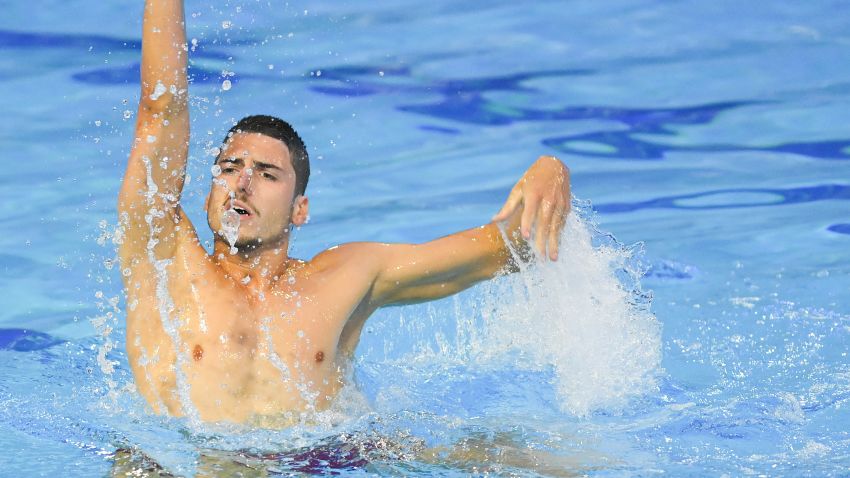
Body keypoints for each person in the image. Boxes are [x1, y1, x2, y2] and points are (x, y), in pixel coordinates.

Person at [119, 0, 571, 427]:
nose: (242, 182)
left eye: (267, 174)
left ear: (300, 211)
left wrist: (552, 170)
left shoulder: (344, 279)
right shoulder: (165, 259)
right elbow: (160, 110)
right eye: (229, 168)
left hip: (317, 462)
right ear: (206, 196)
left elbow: (510, 250)